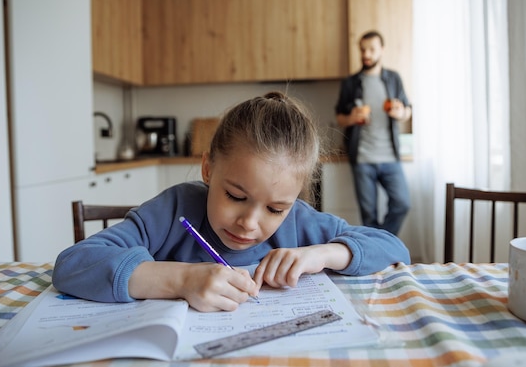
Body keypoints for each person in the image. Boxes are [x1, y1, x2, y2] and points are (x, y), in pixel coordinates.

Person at [53, 91, 410, 312]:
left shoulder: (300, 224)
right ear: (208, 168)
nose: (250, 223)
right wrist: (178, 280)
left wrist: (321, 254)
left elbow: (394, 249)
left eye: (275, 208)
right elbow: (71, 265)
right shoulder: (175, 210)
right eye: (236, 196)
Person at [335, 30, 411, 236]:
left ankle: (379, 243)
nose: (366, 54)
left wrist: (400, 111)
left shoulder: (393, 79)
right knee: (368, 216)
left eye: (371, 49)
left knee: (402, 204)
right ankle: (378, 251)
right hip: (362, 158)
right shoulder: (350, 83)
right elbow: (339, 117)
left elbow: (407, 110)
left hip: (390, 156)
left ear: (381, 50)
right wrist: (352, 117)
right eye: (362, 50)